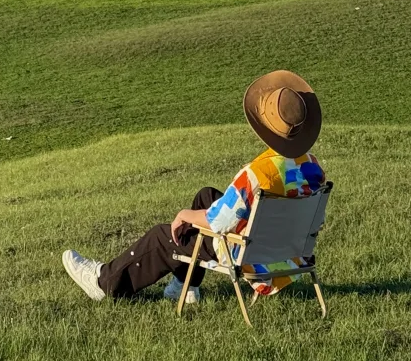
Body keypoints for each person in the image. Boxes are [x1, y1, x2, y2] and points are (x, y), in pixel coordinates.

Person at [62, 70, 325, 305]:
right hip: (287, 257)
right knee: (206, 195)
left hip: (249, 254)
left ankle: (105, 283)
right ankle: (184, 287)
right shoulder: (313, 170)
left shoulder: (257, 174)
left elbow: (219, 221)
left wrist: (184, 215)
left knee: (163, 237)